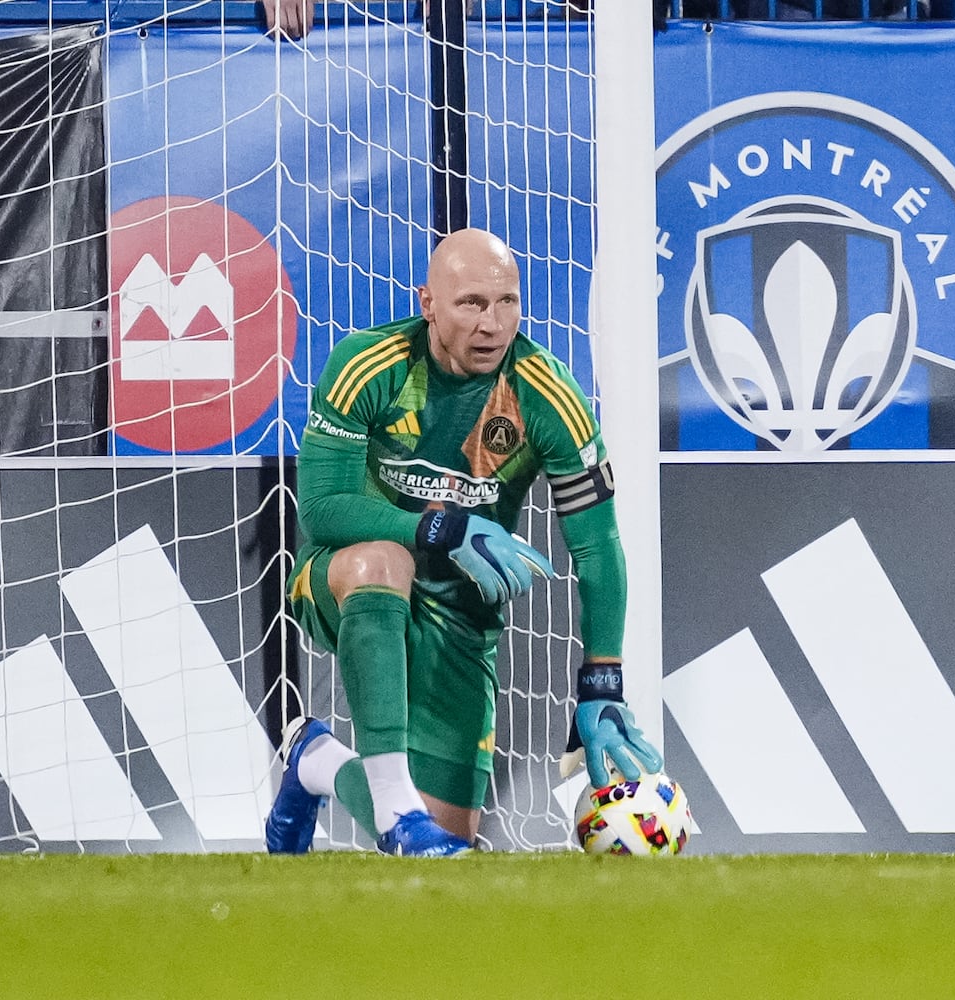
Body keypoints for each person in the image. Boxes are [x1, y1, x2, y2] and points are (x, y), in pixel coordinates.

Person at [265, 228, 663, 857]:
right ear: (428, 302)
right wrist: (438, 527)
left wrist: (603, 680)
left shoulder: (546, 396)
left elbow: (597, 547)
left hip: (461, 614)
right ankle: (397, 811)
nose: (492, 324)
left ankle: (316, 761)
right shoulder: (369, 365)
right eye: (471, 303)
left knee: (449, 854)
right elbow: (321, 510)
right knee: (382, 559)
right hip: (344, 578)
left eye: (507, 302)